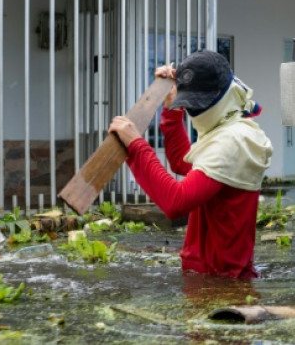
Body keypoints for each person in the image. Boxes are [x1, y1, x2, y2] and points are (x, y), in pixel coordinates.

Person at [108, 51, 273, 279]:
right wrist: (172, 109)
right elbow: (182, 162)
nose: (194, 111)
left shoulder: (234, 139)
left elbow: (177, 202)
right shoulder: (225, 128)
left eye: (197, 104)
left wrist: (137, 145)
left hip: (224, 282)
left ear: (219, 95)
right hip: (207, 276)